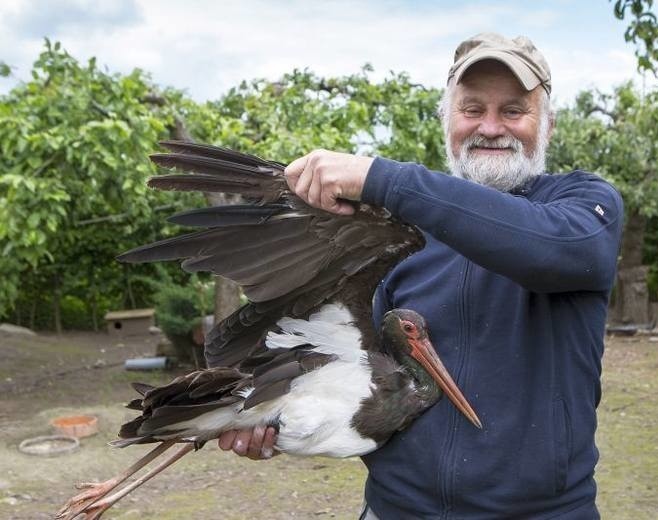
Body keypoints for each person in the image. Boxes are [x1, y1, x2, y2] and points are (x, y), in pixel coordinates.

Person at [219, 32, 623, 519]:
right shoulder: (400, 236)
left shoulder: (582, 208)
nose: (491, 127)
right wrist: (274, 416)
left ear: (548, 125)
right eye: (472, 109)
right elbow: (365, 372)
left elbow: (562, 250)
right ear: (446, 120)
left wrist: (382, 178)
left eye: (513, 111)